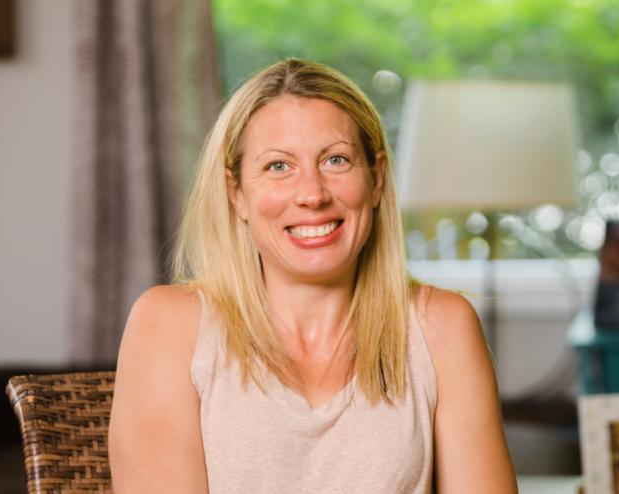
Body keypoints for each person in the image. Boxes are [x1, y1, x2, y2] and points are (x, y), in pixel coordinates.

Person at [107, 58, 516, 493]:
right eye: (278, 166)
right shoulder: (170, 324)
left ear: (376, 179)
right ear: (237, 194)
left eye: (336, 160)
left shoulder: (442, 327)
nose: (312, 194)